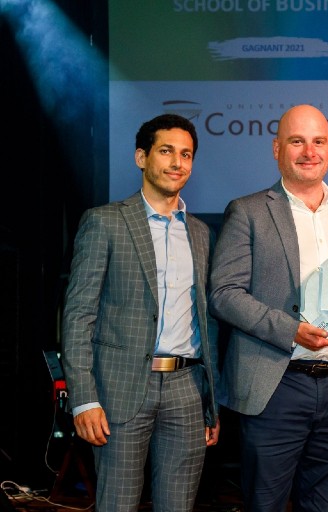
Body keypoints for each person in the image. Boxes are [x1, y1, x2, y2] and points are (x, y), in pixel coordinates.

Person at [208, 104, 328, 512]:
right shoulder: (248, 211)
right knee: (265, 504)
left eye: (319, 141)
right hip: (276, 385)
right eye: (297, 141)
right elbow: (223, 293)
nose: (309, 151)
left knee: (324, 505)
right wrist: (289, 329)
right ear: (277, 149)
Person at [61, 113, 220, 511]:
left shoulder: (200, 233)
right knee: (117, 504)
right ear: (141, 157)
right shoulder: (105, 222)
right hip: (120, 390)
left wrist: (209, 402)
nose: (177, 163)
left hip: (186, 388)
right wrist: (83, 398)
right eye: (166, 151)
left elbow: (207, 321)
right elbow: (78, 315)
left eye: (186, 154)